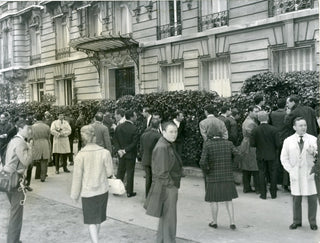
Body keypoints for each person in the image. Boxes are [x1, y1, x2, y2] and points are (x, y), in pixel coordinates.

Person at [71, 125, 114, 243]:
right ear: (94, 136)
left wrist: (75, 195)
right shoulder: (105, 152)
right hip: (102, 190)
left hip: (88, 192)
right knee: (98, 219)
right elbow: (110, 172)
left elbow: (77, 178)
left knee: (91, 221)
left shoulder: (80, 155)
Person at [145, 122, 183, 243]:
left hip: (167, 185)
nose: (174, 134)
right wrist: (171, 186)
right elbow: (161, 172)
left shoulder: (167, 144)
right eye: (171, 132)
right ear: (163, 132)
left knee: (166, 217)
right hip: (167, 187)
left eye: (176, 131)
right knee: (170, 218)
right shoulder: (162, 146)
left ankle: (162, 240)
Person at [281, 117, 318, 230]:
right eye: (300, 125)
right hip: (296, 173)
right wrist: (291, 170)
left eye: (305, 125)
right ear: (294, 127)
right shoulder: (288, 141)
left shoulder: (313, 139)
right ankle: (296, 221)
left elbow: (319, 157)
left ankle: (313, 222)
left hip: (309, 173)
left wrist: (315, 154)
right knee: (296, 198)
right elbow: (284, 158)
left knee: (312, 198)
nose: (303, 127)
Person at [199, 128, 238, 230]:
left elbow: (202, 162)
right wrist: (232, 166)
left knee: (214, 200)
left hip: (213, 176)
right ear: (221, 134)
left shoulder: (208, 145)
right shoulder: (229, 143)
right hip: (227, 175)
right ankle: (232, 222)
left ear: (210, 135)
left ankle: (214, 222)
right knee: (228, 199)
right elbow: (237, 155)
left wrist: (207, 171)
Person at [3, 119, 33, 243]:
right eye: (27, 129)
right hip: (16, 180)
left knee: (14, 211)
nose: (30, 131)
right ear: (20, 129)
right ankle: (13, 241)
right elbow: (26, 161)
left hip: (7, 178)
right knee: (16, 213)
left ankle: (13, 239)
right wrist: (30, 148)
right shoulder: (21, 143)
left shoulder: (13, 140)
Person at [250, 111, 280, 199]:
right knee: (273, 173)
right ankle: (273, 194)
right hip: (272, 154)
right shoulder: (274, 129)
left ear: (258, 119)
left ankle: (263, 194)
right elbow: (278, 144)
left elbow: (252, 144)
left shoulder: (255, 130)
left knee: (261, 173)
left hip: (260, 154)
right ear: (267, 118)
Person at [114, 110, 139, 197]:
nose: (136, 117)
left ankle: (116, 190)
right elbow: (134, 143)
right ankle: (129, 192)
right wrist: (125, 150)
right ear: (131, 117)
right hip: (130, 154)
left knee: (120, 171)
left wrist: (119, 150)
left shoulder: (119, 127)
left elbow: (115, 140)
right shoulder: (134, 128)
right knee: (130, 172)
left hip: (120, 153)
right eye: (135, 116)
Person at [270, 98, 290, 191]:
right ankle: (285, 183)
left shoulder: (272, 114)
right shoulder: (287, 114)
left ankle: (274, 183)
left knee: (275, 162)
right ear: (285, 105)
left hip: (275, 139)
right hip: (285, 139)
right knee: (286, 160)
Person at [238, 106, 260, 193]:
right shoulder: (250, 123)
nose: (257, 113)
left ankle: (246, 187)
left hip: (246, 144)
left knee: (246, 167)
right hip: (250, 145)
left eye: (258, 111)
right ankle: (257, 188)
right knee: (254, 167)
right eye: (255, 111)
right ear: (250, 112)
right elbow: (253, 135)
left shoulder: (249, 121)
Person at [140, 118, 162, 197]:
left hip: (145, 159)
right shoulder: (159, 136)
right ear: (159, 125)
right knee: (155, 179)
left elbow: (141, 149)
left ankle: (147, 196)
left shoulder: (144, 135)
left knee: (148, 178)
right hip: (155, 161)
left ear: (151, 125)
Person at [29, 113, 51, 183]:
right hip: (45, 143)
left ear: (36, 119)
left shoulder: (32, 127)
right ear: (43, 118)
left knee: (32, 160)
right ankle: (43, 177)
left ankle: (29, 176)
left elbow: (30, 137)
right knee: (44, 160)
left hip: (36, 143)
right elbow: (49, 137)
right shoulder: (47, 126)